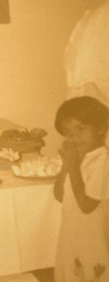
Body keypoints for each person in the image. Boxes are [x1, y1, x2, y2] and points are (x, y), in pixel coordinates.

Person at [53, 96, 109, 282]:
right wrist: (66, 166)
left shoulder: (103, 161)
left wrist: (74, 167)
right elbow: (60, 195)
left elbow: (86, 206)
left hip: (92, 241)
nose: (73, 137)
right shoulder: (79, 158)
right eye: (68, 132)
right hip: (71, 237)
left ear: (100, 128)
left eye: (80, 129)